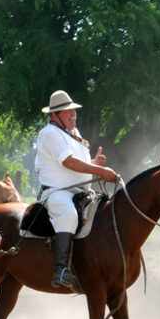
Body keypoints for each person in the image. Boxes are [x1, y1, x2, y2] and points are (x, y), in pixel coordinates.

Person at [35, 90, 118, 290]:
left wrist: (93, 163)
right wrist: (100, 170)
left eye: (73, 110)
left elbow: (76, 164)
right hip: (56, 192)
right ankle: (61, 270)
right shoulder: (49, 134)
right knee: (68, 215)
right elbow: (69, 162)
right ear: (55, 115)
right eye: (67, 111)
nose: (73, 114)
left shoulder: (73, 133)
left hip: (79, 192)